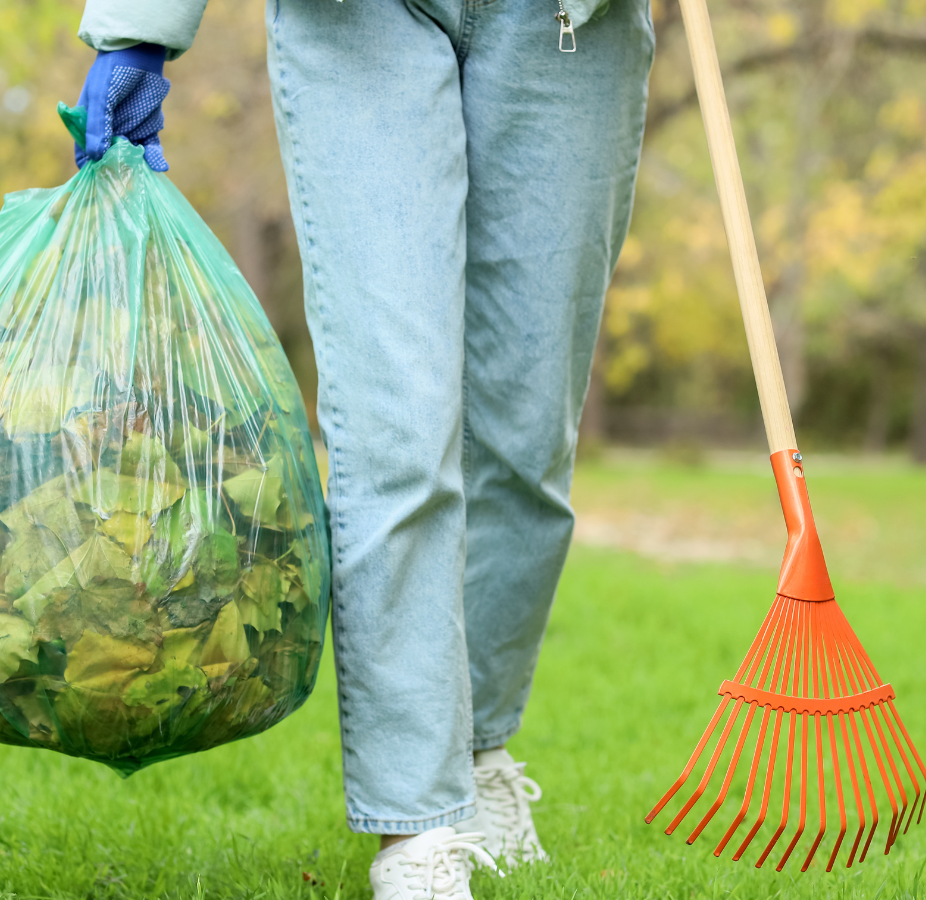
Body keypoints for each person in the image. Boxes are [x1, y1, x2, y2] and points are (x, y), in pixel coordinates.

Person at [74, 1, 653, 897]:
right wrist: (139, 26)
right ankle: (415, 826)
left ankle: (477, 748)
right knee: (397, 428)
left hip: (568, 26)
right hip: (360, 20)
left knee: (527, 439)